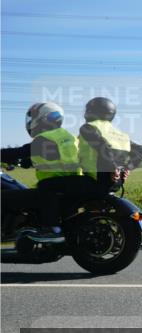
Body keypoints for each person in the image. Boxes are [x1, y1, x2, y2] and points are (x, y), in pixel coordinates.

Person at [0, 102, 81, 242]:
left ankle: (49, 230)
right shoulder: (68, 137)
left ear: (43, 118)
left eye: (33, 117)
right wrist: (27, 162)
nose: (31, 121)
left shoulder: (45, 139)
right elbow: (55, 157)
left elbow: (19, 152)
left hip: (53, 189)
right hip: (70, 186)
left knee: (4, 198)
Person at [77, 97, 142, 193]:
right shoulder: (121, 134)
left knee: (56, 187)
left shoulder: (88, 127)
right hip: (116, 183)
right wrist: (128, 168)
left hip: (93, 181)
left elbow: (103, 146)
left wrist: (112, 168)